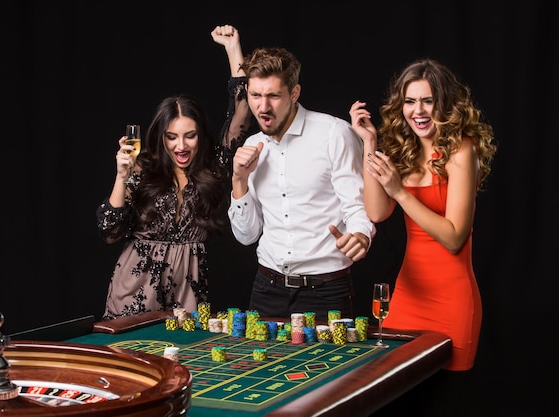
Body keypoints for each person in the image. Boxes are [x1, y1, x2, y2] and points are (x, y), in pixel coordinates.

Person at [349, 58, 497, 416]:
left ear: (444, 103)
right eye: (410, 101)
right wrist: (369, 144)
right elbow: (377, 213)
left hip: (453, 302)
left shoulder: (462, 151)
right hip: (408, 300)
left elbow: (453, 237)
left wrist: (400, 192)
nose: (418, 111)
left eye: (427, 100)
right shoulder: (405, 151)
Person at [96, 25, 251, 321]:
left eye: (189, 136)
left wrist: (233, 50)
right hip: (134, 290)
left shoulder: (213, 166)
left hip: (188, 292)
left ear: (200, 136)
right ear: (161, 136)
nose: (181, 146)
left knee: (187, 364)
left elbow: (242, 111)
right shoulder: (143, 167)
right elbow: (110, 231)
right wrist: (121, 176)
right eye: (171, 137)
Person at [227, 45, 376, 322]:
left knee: (330, 368)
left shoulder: (334, 134)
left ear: (294, 93)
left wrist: (361, 235)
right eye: (255, 95)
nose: (263, 106)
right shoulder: (250, 146)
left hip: (326, 291)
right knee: (259, 366)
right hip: (266, 289)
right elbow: (246, 236)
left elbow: (357, 207)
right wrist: (239, 180)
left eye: (273, 95)